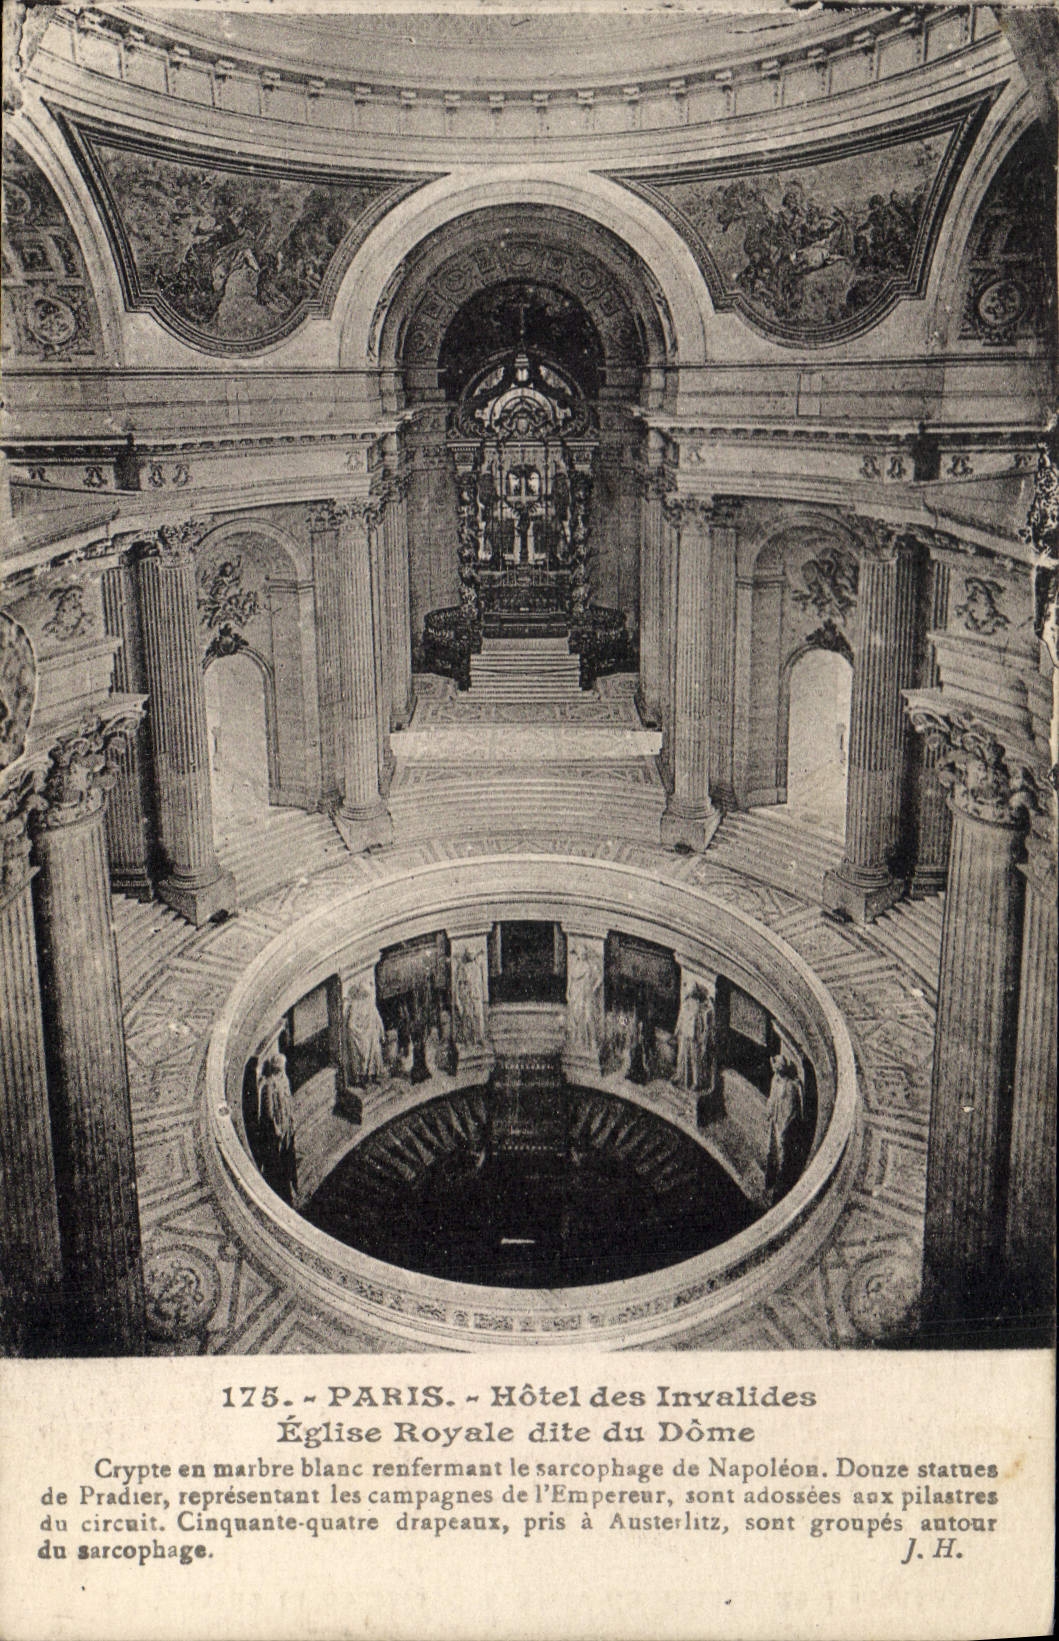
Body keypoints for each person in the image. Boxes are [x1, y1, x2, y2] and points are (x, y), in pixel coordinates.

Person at [256, 1052, 297, 1204]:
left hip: (286, 1126)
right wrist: (276, 1129)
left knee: (288, 1158)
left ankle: (290, 1187)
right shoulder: (269, 1086)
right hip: (278, 1129)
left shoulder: (284, 1080)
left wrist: (291, 1120)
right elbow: (269, 1113)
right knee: (278, 1163)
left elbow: (289, 1102)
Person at [765, 1052, 805, 1200]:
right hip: (775, 1121)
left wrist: (784, 1128)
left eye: (777, 1068)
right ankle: (771, 1179)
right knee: (773, 1150)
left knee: (783, 1152)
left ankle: (779, 1184)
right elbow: (772, 1099)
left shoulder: (791, 1087)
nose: (775, 1070)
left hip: (783, 1124)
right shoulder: (775, 1081)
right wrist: (769, 1113)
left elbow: (791, 1111)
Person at [345, 982, 385, 1084]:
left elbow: (377, 1018)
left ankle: (374, 1076)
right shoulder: (354, 1006)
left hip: (372, 1035)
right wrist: (360, 1033)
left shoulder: (370, 1004)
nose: (364, 996)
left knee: (375, 1054)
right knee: (363, 1057)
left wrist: (381, 1032)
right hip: (361, 1037)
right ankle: (363, 1079)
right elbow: (351, 1025)